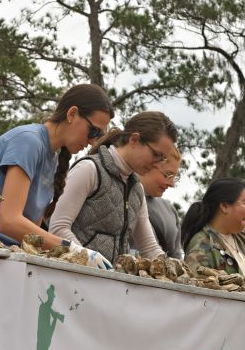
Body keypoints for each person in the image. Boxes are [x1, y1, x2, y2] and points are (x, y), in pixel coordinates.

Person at [0, 84, 114, 268]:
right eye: (93, 131)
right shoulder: (28, 141)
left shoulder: (53, 158)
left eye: (99, 136)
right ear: (72, 114)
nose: (92, 141)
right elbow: (9, 222)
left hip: (4, 258)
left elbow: (31, 232)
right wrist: (72, 249)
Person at [48, 111, 177, 264]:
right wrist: (87, 259)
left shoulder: (137, 189)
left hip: (109, 284)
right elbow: (57, 228)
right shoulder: (89, 169)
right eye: (156, 154)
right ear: (134, 139)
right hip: (70, 280)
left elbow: (149, 248)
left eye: (162, 159)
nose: (158, 164)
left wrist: (172, 269)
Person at [138, 145, 183, 259]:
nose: (172, 184)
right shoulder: (121, 197)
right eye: (168, 175)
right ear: (148, 165)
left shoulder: (170, 210)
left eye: (175, 177)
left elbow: (177, 259)